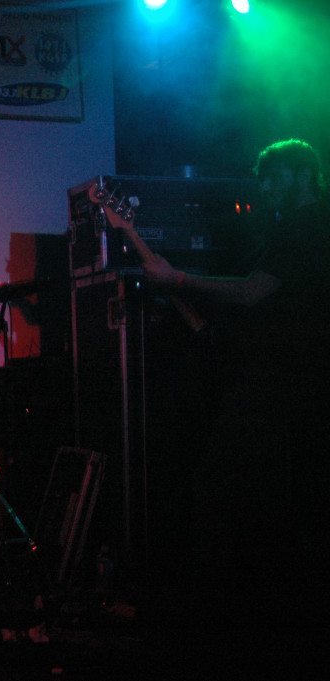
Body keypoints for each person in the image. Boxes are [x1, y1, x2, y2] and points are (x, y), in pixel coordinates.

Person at [141, 139, 330, 665]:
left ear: (302, 177)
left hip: (284, 391)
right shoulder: (291, 232)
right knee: (260, 505)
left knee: (228, 498)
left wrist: (178, 278)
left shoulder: (308, 228)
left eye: (274, 178)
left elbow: (250, 293)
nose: (264, 188)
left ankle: (226, 633)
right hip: (283, 388)